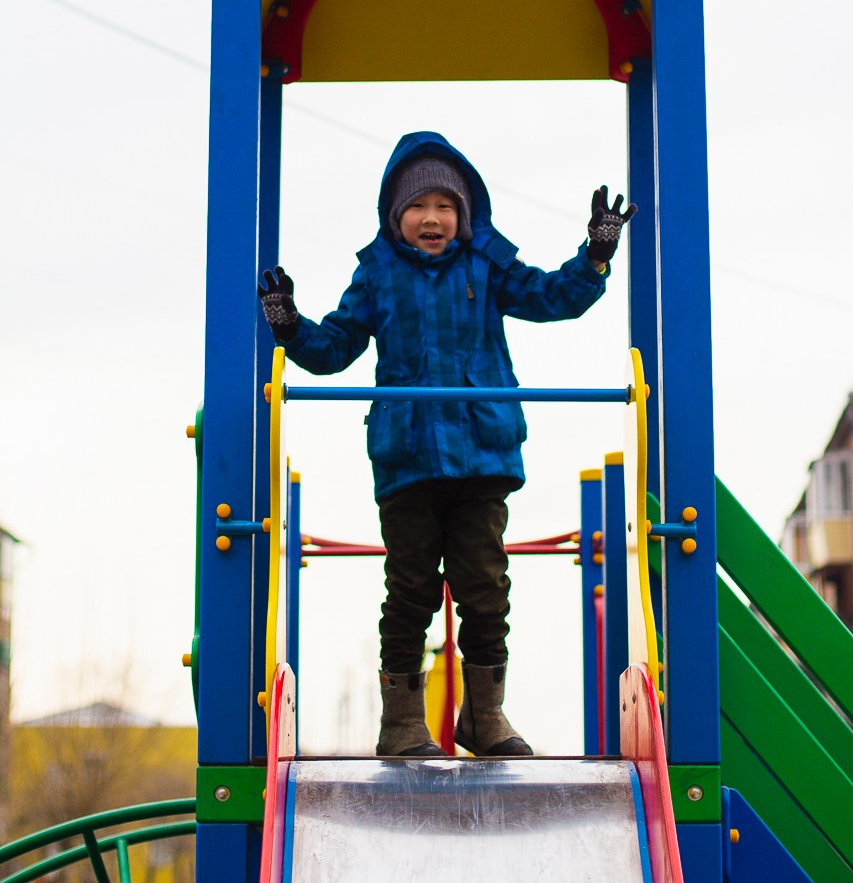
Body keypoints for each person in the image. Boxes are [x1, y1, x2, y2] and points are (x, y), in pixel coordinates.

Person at [258, 131, 635, 758]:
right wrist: (289, 324)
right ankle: (402, 722)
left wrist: (595, 254)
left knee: (484, 585)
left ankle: (484, 715)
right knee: (410, 587)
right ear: (394, 215)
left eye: (445, 206)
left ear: (465, 213)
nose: (432, 219)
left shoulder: (486, 265)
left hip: (481, 454)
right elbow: (333, 349)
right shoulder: (377, 274)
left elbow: (553, 298)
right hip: (407, 457)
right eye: (418, 206)